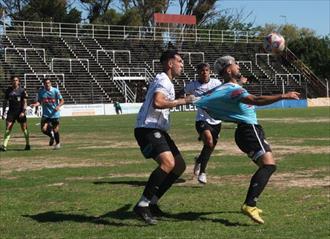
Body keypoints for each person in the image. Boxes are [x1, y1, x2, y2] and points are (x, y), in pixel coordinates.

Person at [194, 56, 300, 224]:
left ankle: (251, 203)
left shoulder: (233, 87)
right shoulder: (232, 89)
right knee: (269, 166)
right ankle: (249, 205)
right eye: (235, 64)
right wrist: (283, 95)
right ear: (228, 70)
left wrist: (240, 82)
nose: (238, 65)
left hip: (246, 132)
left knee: (266, 167)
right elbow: (255, 101)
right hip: (249, 130)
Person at [133, 49, 195, 225]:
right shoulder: (163, 79)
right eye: (180, 61)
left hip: (157, 129)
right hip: (147, 129)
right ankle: (142, 204)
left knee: (179, 166)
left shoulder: (166, 81)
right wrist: (182, 101)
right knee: (168, 163)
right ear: (170, 63)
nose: (182, 65)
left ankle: (152, 203)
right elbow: (158, 102)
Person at [180, 63, 222, 184]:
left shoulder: (216, 83)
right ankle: (203, 172)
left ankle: (199, 160)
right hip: (201, 119)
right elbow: (180, 93)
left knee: (209, 147)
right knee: (209, 141)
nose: (204, 73)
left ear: (210, 72)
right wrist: (186, 99)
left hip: (216, 120)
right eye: (202, 71)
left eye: (206, 70)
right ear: (198, 72)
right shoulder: (193, 85)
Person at [31, 78, 64, 150]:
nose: (47, 84)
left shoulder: (55, 90)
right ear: (44, 84)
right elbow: (39, 101)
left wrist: (58, 106)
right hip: (46, 114)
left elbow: (62, 100)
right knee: (43, 130)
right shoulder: (41, 92)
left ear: (50, 83)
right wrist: (35, 105)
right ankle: (51, 136)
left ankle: (58, 143)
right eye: (46, 83)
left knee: (55, 130)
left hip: (55, 114)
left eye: (48, 83)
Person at [1, 76, 30, 151]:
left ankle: (27, 144)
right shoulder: (8, 90)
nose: (15, 82)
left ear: (18, 81)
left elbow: (25, 102)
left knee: (24, 128)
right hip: (11, 112)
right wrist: (3, 112)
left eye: (16, 80)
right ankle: (4, 145)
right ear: (11, 81)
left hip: (20, 112)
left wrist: (23, 111)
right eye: (13, 80)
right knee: (8, 127)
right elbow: (5, 102)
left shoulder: (22, 90)